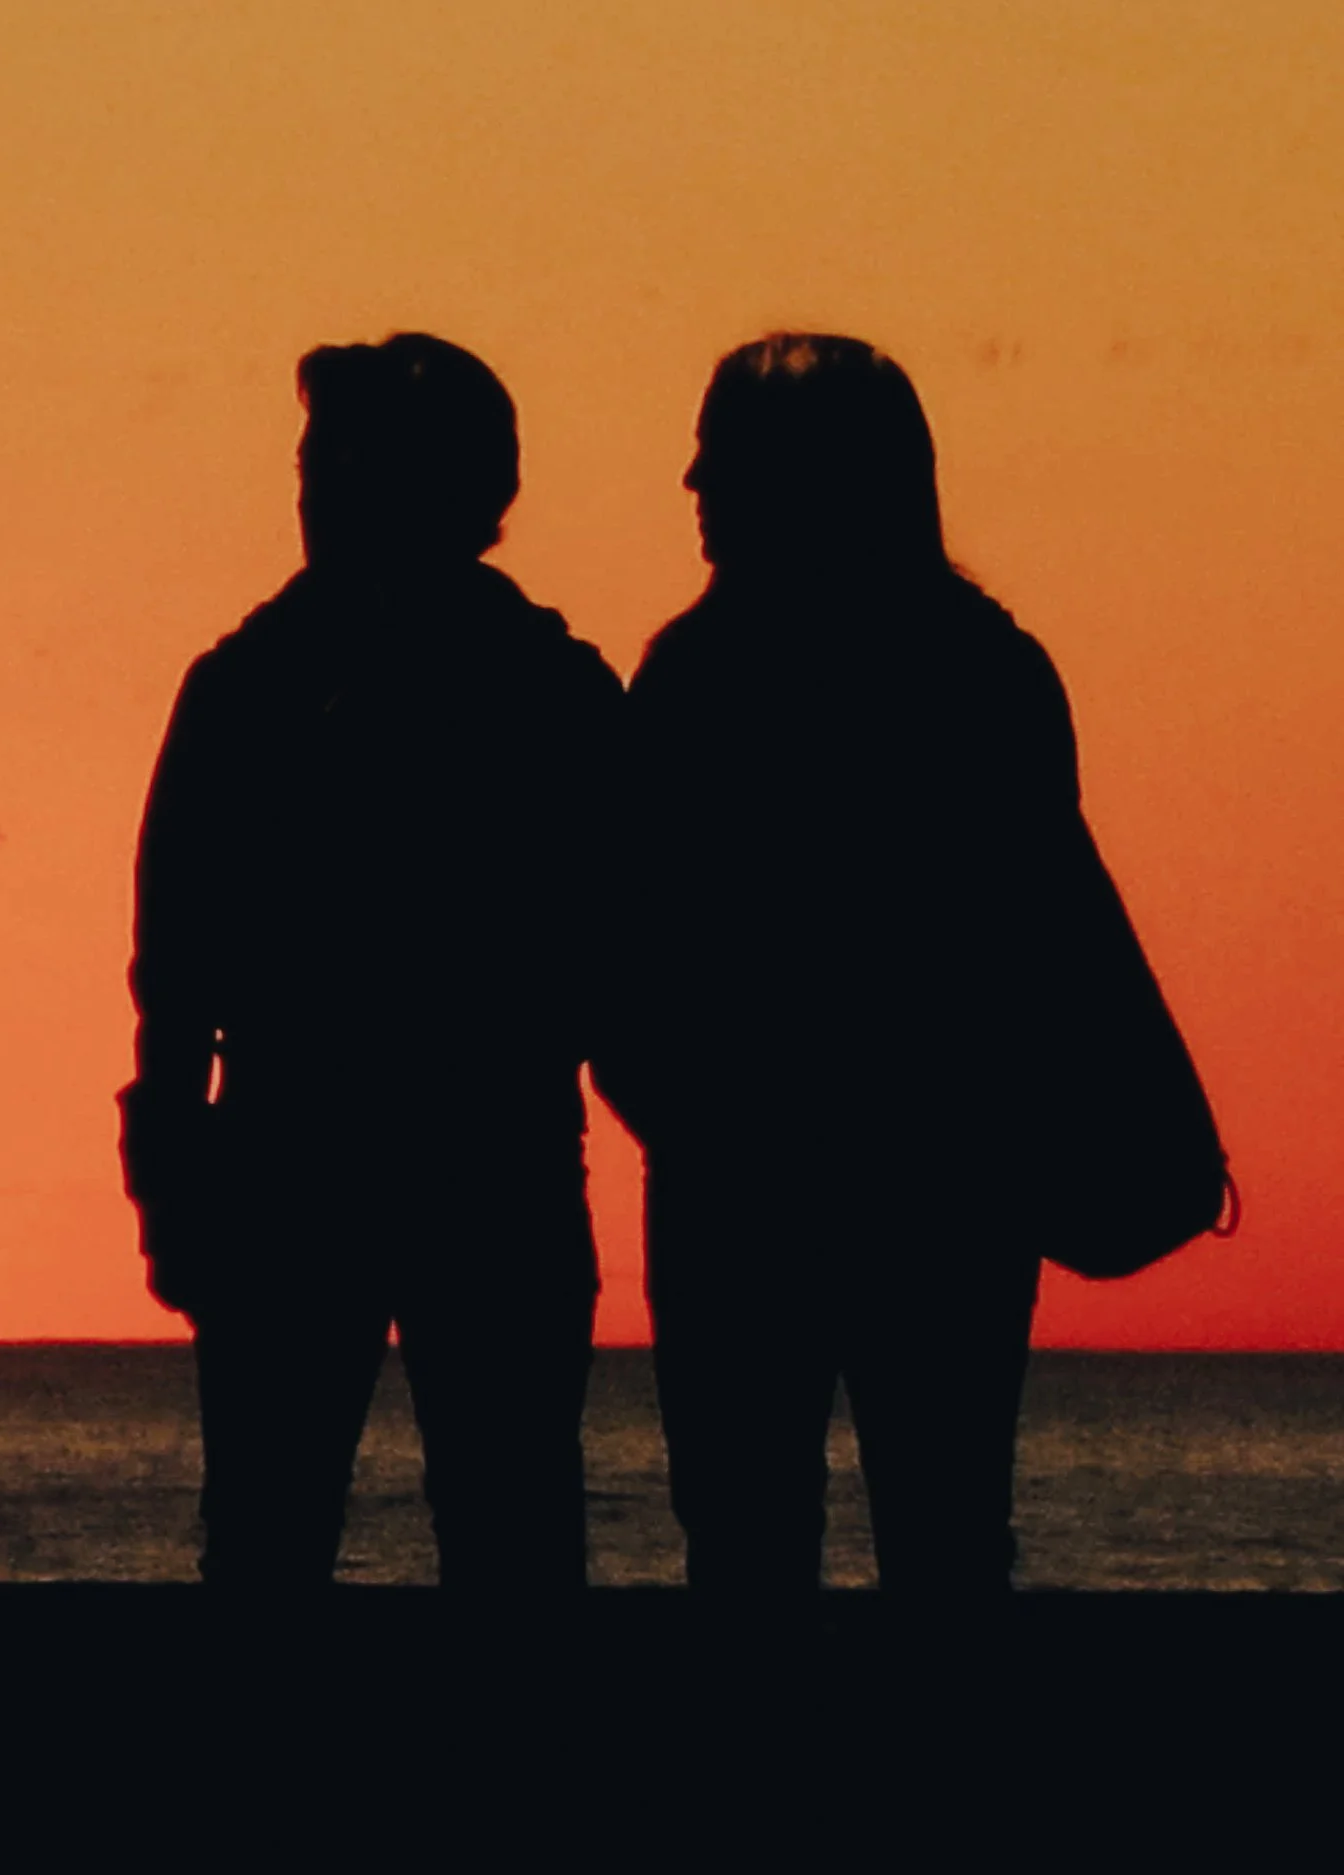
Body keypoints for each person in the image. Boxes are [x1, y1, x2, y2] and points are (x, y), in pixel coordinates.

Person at [118, 333, 625, 1589]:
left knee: (465, 1536)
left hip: (446, 1159)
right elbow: (174, 965)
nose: (310, 489)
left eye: (338, 460)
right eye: (310, 458)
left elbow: (620, 942)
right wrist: (175, 1167)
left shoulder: (543, 693)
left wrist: (175, 1165)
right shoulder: (257, 687)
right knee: (300, 1537)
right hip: (337, 1162)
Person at [597, 332, 1085, 1594]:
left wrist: (681, 1107)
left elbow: (628, 931)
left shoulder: (696, 675)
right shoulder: (991, 670)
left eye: (718, 464)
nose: (691, 489)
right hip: (943, 1177)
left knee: (750, 1537)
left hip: (751, 1180)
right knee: (946, 1528)